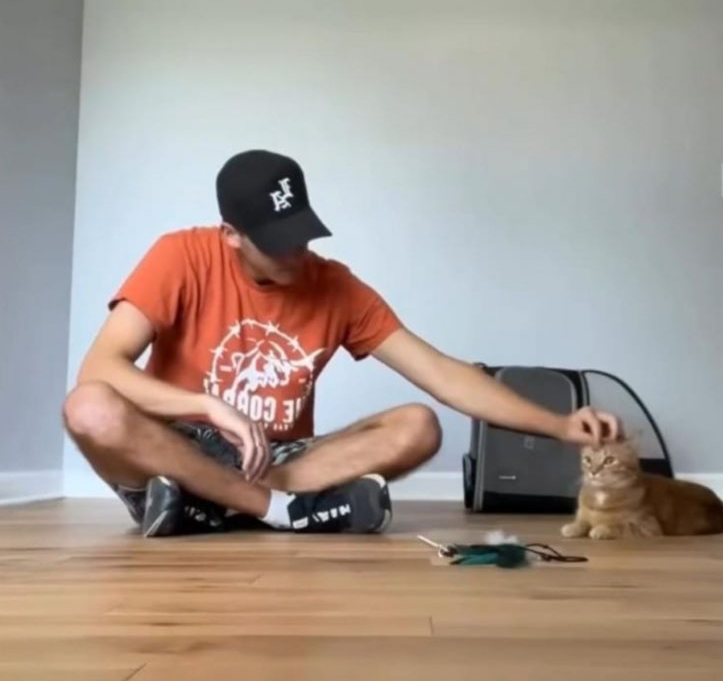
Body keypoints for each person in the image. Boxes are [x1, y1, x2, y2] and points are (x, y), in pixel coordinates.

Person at [63, 150, 620, 537]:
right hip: (178, 447)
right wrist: (207, 405)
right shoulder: (180, 255)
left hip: (276, 459)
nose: (296, 255)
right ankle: (274, 512)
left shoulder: (336, 285)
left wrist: (559, 425)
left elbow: (443, 373)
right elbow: (101, 368)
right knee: (87, 406)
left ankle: (210, 506)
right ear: (229, 235)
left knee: (418, 424)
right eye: (277, 244)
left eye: (301, 235)